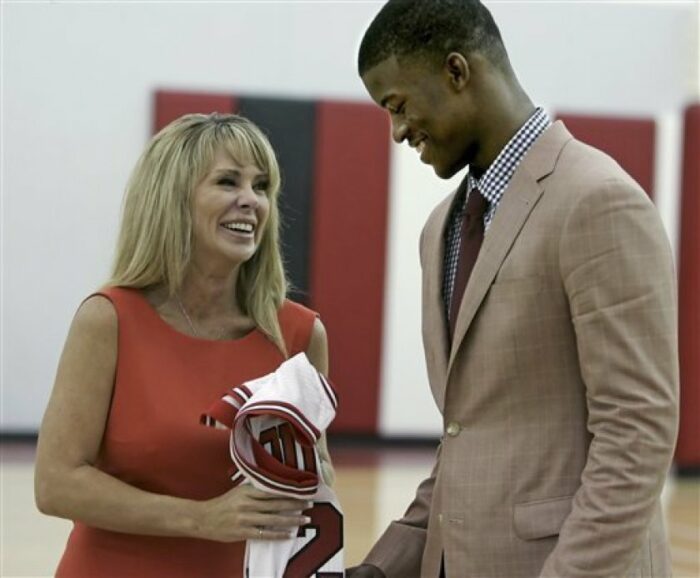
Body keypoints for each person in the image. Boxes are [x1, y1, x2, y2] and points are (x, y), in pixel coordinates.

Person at [350, 1, 679, 577]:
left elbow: (637, 432)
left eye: (398, 105)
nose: (398, 130)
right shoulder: (439, 230)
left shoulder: (598, 200)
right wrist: (384, 568)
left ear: (457, 72)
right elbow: (468, 436)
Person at [34, 112, 334, 577]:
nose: (250, 201)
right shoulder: (107, 319)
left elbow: (315, 482)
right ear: (173, 199)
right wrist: (203, 518)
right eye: (228, 182)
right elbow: (55, 484)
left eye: (261, 187)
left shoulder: (299, 336)